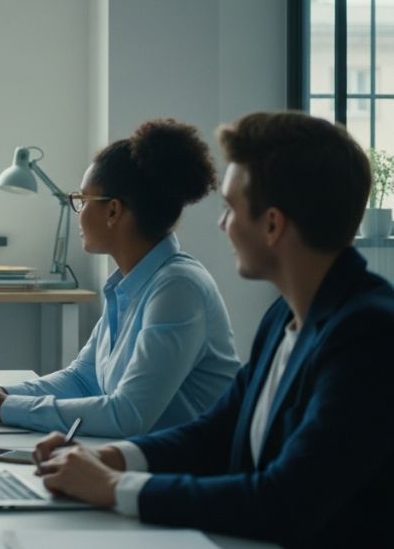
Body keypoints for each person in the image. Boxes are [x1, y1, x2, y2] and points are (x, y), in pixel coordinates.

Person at [33, 111, 394, 547]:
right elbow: (216, 432)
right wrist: (111, 458)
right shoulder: (283, 317)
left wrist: (114, 487)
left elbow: (284, 501)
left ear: (273, 224)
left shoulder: (369, 336)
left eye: (230, 209)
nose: (222, 225)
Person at [0, 119, 240, 437]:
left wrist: (4, 407)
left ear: (113, 211)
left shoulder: (178, 288)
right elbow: (82, 380)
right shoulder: (128, 285)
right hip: (139, 456)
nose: (79, 211)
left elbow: (128, 415)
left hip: (185, 465)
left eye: (83, 200)